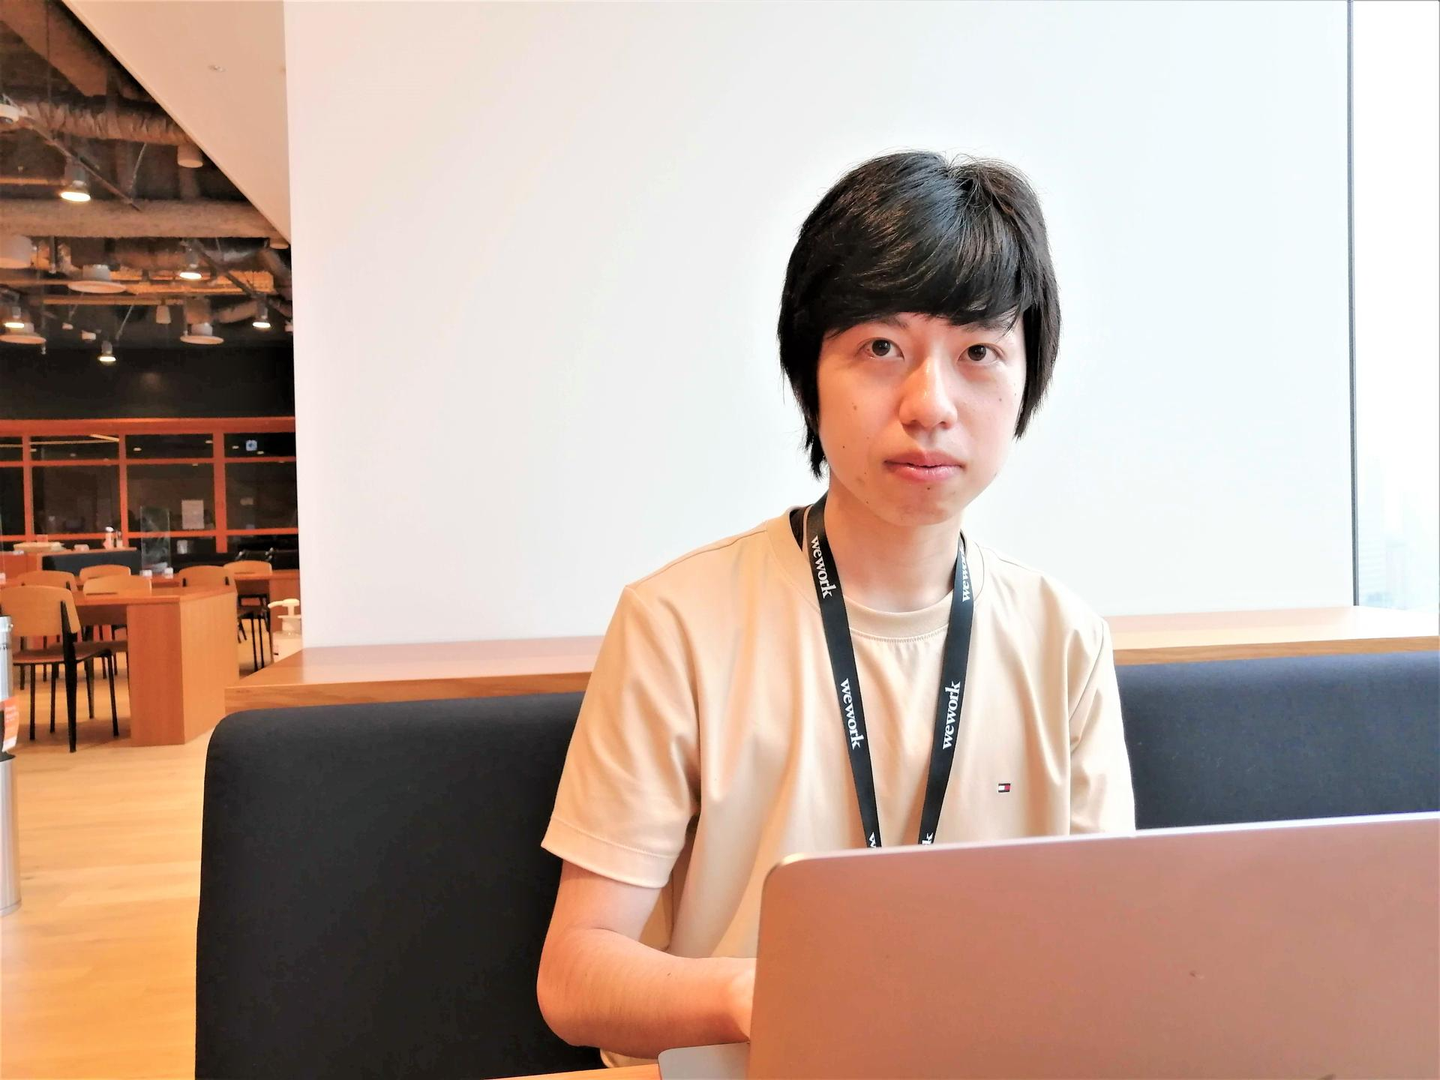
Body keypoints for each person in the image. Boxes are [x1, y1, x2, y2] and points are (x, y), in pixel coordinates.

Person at [535, 150, 1136, 1067]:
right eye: (882, 349)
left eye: (978, 352)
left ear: (1026, 382)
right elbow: (577, 976)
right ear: (809, 374)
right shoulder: (678, 624)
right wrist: (770, 991)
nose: (930, 405)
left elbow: (1106, 951)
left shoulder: (1065, 642)